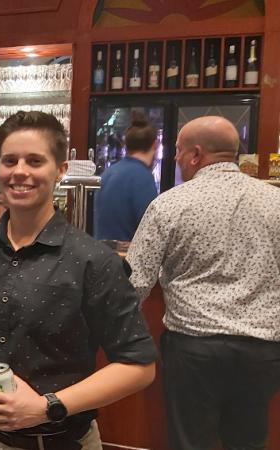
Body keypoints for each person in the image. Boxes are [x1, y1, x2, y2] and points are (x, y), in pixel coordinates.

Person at [0, 111, 158, 450]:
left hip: (62, 441)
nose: (20, 171)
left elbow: (139, 365)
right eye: (10, 160)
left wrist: (47, 406)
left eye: (35, 160)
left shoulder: (92, 261)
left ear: (60, 171)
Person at [126, 116, 280, 450]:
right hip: (263, 349)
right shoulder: (276, 202)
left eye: (178, 152)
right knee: (249, 441)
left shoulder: (169, 204)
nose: (176, 160)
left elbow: (135, 282)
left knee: (190, 442)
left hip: (194, 347)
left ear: (196, 154)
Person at [94, 114, 159, 241]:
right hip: (127, 256)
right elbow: (150, 229)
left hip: (102, 253)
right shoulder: (143, 177)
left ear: (126, 145)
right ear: (155, 144)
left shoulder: (109, 172)